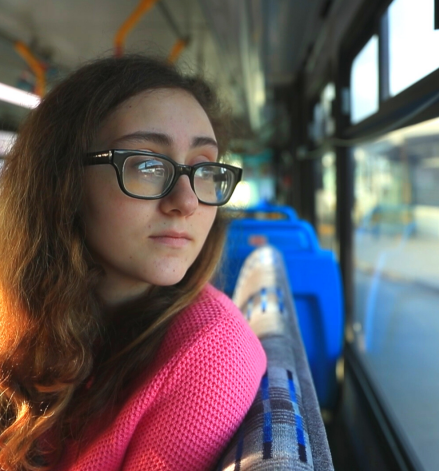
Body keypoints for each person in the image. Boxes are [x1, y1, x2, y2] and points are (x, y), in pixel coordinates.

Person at [0, 55, 267, 471]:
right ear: (62, 180)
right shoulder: (12, 313)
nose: (186, 202)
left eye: (204, 170)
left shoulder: (212, 353)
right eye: (146, 165)